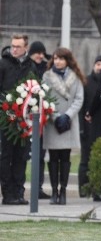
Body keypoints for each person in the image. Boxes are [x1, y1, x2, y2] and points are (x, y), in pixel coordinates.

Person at [41, 47, 85, 205]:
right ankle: (54, 191)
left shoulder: (76, 77)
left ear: (67, 60)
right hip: (53, 122)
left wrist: (67, 116)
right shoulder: (46, 76)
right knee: (53, 158)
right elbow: (43, 97)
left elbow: (79, 99)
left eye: (61, 58)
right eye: (55, 58)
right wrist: (55, 116)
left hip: (69, 122)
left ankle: (63, 191)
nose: (58, 61)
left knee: (65, 157)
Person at [0, 34, 38, 205]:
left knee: (21, 157)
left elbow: (37, 91)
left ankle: (19, 192)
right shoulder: (3, 64)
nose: (14, 49)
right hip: (6, 119)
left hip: (24, 120)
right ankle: (7, 194)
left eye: (18, 46)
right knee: (6, 156)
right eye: (12, 46)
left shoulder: (31, 67)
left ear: (26, 48)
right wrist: (8, 112)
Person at [78, 54, 101, 197]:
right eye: (98, 64)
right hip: (87, 126)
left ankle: (98, 190)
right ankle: (84, 189)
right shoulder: (86, 82)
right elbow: (82, 105)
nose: (100, 67)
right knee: (85, 159)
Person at [28, 40, 50, 200]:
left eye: (42, 53)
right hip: (27, 115)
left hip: (43, 116)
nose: (40, 56)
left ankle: (38, 186)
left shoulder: (46, 69)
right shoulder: (27, 67)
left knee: (40, 154)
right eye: (37, 53)